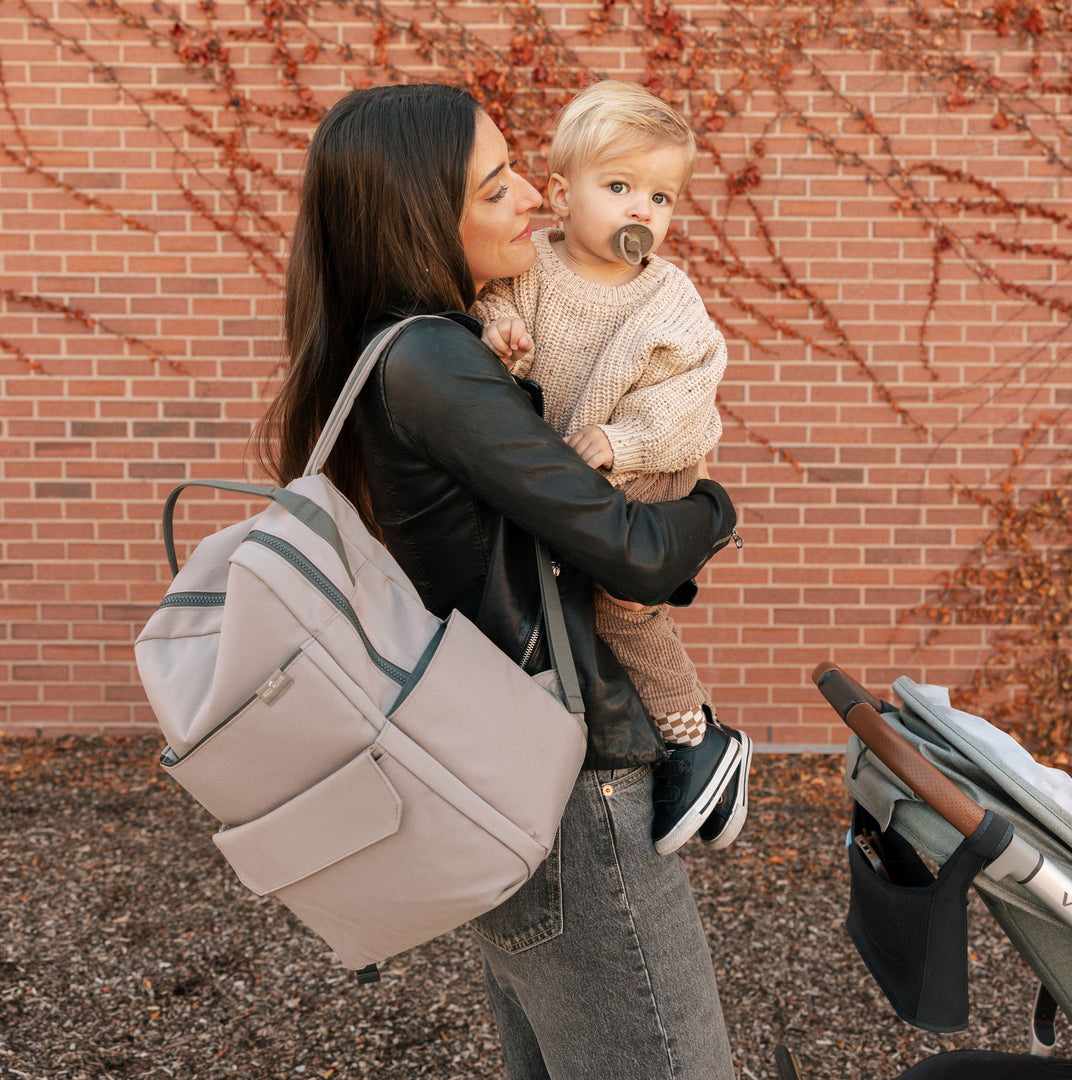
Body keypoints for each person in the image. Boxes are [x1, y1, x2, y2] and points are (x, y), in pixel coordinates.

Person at [254, 83, 737, 1079]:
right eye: (494, 187)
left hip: (493, 764)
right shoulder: (435, 360)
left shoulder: (408, 346)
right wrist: (718, 511)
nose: (531, 196)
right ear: (420, 217)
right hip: (572, 778)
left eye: (518, 168)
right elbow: (634, 550)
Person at [473, 80, 752, 857]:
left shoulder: (668, 297)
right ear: (560, 194)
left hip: (645, 472)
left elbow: (693, 396)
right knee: (559, 603)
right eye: (620, 186)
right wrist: (496, 326)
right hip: (565, 474)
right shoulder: (530, 269)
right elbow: (490, 298)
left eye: (660, 196)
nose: (642, 210)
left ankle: (695, 736)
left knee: (622, 609)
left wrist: (624, 439)